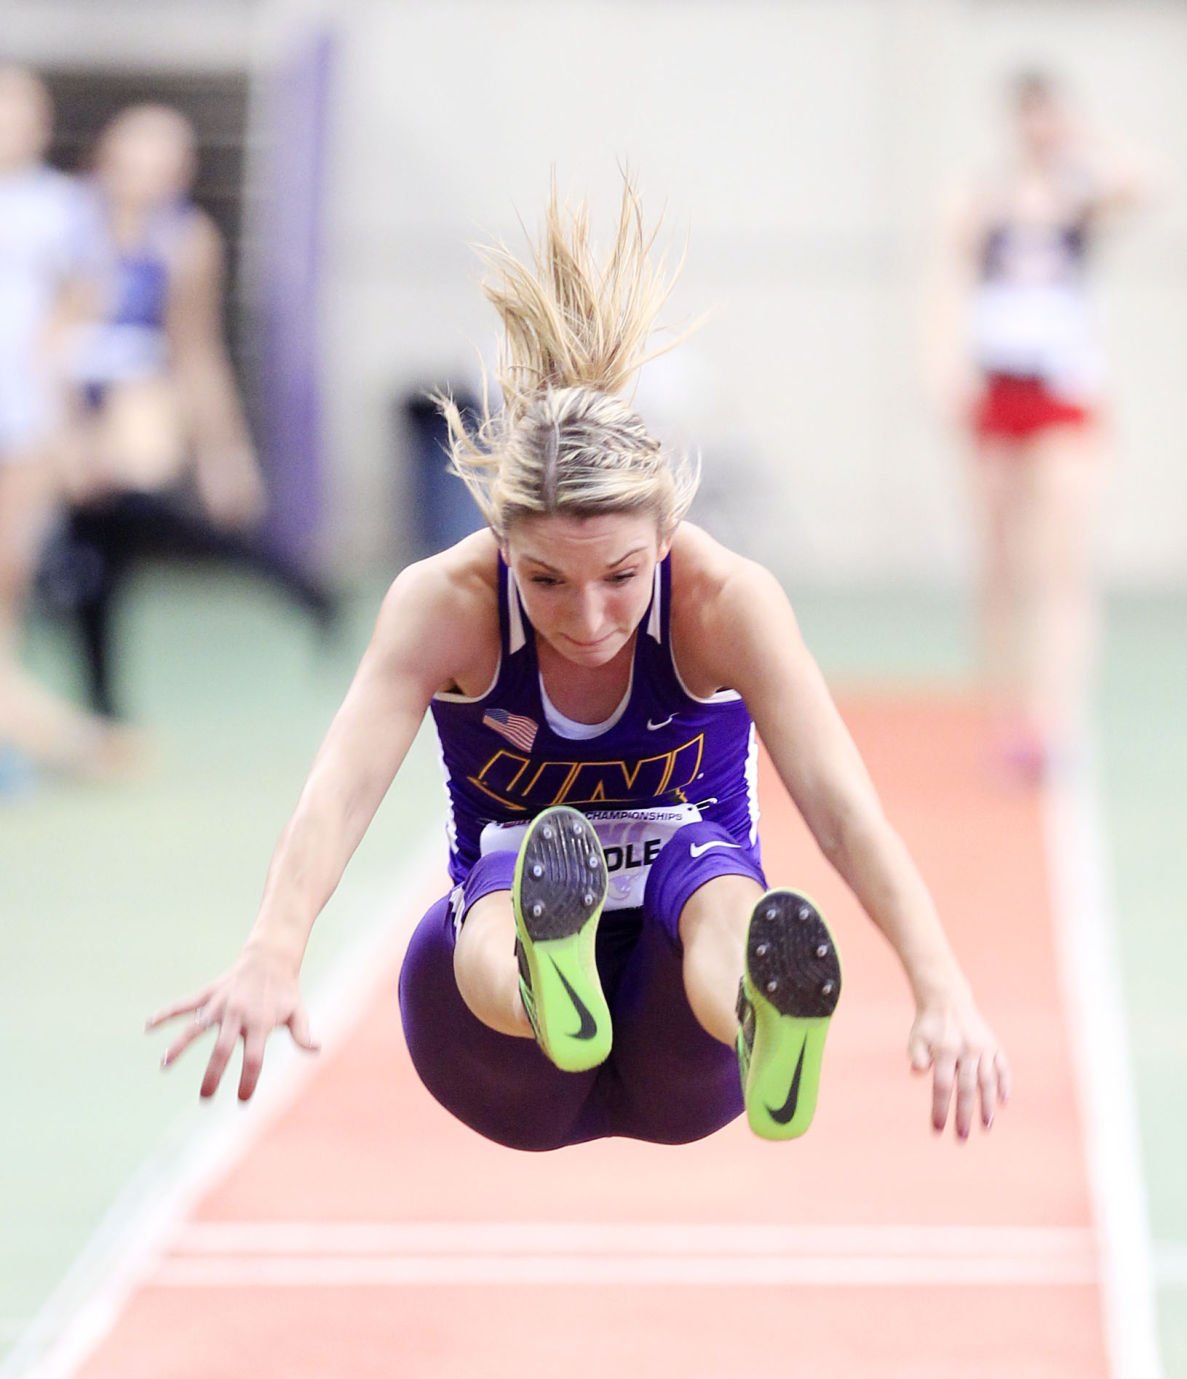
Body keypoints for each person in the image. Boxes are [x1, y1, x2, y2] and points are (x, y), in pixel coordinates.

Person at [150, 181, 1009, 1149]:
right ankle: (540, 981)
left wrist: (940, 988)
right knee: (502, 884)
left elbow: (841, 808)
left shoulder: (723, 604)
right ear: (500, 543)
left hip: (683, 1040)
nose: (588, 617)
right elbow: (338, 792)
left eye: (621, 576)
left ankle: (758, 1016)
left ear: (666, 534)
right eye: (547, 580)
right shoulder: (447, 605)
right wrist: (274, 947)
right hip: (497, 1055)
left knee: (716, 881)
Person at [45, 102, 335, 720]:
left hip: (138, 404)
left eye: (165, 161)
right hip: (65, 400)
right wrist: (70, 432)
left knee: (116, 527)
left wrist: (224, 455)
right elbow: (50, 333)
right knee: (100, 544)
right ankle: (102, 700)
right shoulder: (68, 222)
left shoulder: (184, 240)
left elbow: (196, 354)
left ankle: (289, 582)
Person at [926, 70, 1153, 779]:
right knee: (999, 560)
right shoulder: (983, 198)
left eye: (1049, 118)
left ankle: (1057, 716)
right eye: (1029, 118)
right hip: (998, 391)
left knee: (1059, 560)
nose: (1038, 130)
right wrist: (942, 370)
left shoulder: (1078, 197)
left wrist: (1081, 142)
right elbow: (950, 282)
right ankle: (1006, 711)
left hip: (1061, 394)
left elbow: (1140, 184)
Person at [0, 63, 129, 778]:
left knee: (10, 574)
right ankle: (52, 736)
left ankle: (25, 739)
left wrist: (69, 424)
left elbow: (86, 302)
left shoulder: (61, 208)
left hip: (26, 423)